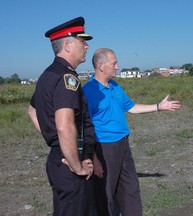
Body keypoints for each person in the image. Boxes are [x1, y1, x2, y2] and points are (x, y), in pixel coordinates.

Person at [82, 48, 181, 216]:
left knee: (130, 189)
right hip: (104, 148)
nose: (117, 67)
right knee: (105, 194)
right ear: (100, 65)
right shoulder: (89, 91)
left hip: (123, 144)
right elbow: (83, 127)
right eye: (113, 63)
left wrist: (158, 107)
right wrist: (92, 157)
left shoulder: (115, 87)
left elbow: (132, 107)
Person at [27, 17, 103, 216]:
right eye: (82, 41)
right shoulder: (66, 78)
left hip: (61, 157)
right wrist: (76, 164)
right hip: (70, 161)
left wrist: (58, 142)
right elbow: (65, 126)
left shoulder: (47, 75)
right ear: (67, 45)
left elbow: (32, 111)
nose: (87, 46)